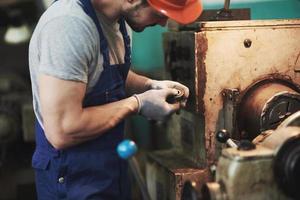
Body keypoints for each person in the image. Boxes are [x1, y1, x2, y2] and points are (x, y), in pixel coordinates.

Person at [28, 0, 202, 199]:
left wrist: (149, 85)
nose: (163, 23)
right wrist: (138, 103)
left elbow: (103, 74)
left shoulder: (120, 21)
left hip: (110, 166)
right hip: (71, 176)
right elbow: (63, 130)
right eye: (160, 14)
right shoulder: (69, 25)